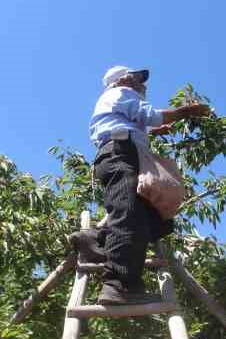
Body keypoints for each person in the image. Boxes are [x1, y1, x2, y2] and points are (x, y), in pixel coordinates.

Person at [85, 65, 209, 305]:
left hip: (121, 152)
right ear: (121, 79)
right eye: (137, 77)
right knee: (129, 214)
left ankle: (95, 238)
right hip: (122, 153)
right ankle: (119, 285)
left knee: (154, 220)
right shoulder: (120, 92)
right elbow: (149, 114)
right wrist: (188, 111)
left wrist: (152, 133)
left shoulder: (116, 100)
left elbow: (128, 124)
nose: (143, 83)